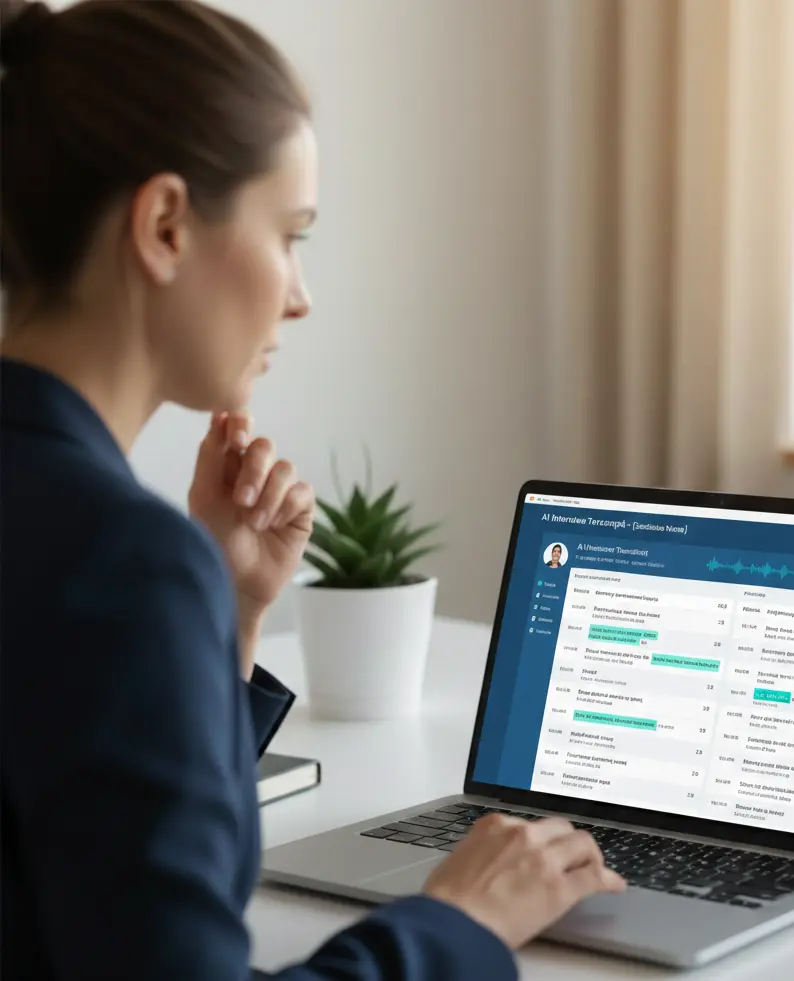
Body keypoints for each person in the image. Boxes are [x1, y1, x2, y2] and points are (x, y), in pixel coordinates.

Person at [0, 2, 625, 979]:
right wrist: (458, 921)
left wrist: (232, 611)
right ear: (164, 225)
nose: (300, 293)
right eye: (290, 234)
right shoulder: (120, 560)